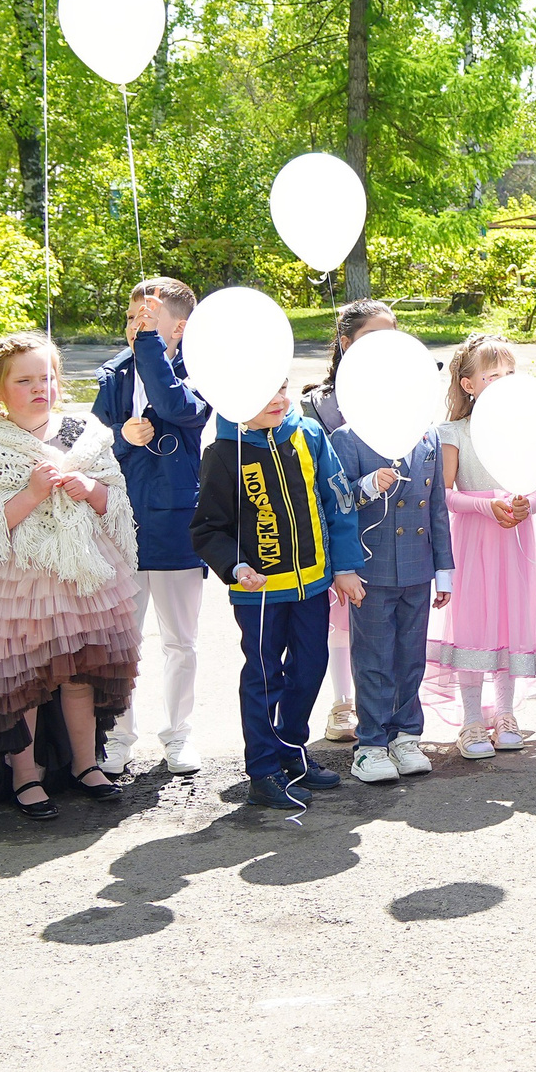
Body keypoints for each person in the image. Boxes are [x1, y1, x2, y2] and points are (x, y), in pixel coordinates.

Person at [0, 332, 141, 818]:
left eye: (46, 377)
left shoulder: (84, 431)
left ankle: (86, 765)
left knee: (80, 674)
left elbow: (117, 503)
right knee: (23, 679)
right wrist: (30, 493)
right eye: (24, 380)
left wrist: (90, 488)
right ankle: (26, 775)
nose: (38, 388)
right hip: (20, 582)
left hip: (84, 576)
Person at [191, 379, 369, 810]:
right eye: (263, 392)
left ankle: (291, 750)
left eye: (282, 388)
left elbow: (337, 501)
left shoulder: (308, 435)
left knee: (310, 667)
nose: (279, 400)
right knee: (265, 675)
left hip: (312, 584)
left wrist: (344, 567)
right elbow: (208, 528)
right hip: (260, 594)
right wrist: (235, 567)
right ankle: (263, 770)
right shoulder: (223, 453)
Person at [90, 276, 211, 776]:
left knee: (180, 639)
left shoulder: (199, 370)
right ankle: (118, 736)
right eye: (131, 319)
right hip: (120, 522)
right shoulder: (113, 374)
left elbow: (178, 408)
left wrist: (148, 350)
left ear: (178, 329)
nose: (135, 328)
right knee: (123, 639)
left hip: (176, 522)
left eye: (148, 321)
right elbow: (91, 446)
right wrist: (123, 436)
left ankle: (179, 734)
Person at [431, 334, 536, 759]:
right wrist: (488, 506)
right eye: (492, 376)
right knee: (473, 625)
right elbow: (445, 494)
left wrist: (529, 504)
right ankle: (472, 720)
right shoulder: (453, 432)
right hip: (473, 541)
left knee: (511, 623)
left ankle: (505, 714)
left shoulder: (527, 430)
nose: (504, 383)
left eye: (510, 374)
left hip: (516, 542)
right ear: (469, 384)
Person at [329, 395, 454, 786]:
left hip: (417, 567)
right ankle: (370, 744)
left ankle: (406, 736)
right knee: (373, 657)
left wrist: (443, 569)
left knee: (411, 656)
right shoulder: (348, 438)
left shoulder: (428, 437)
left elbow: (437, 508)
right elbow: (334, 502)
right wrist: (366, 486)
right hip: (372, 567)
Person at [303, 298, 397, 744]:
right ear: (345, 343)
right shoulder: (318, 406)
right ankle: (343, 702)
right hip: (336, 530)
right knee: (340, 624)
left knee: (386, 623)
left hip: (394, 532)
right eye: (371, 338)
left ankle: (385, 703)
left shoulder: (404, 395)